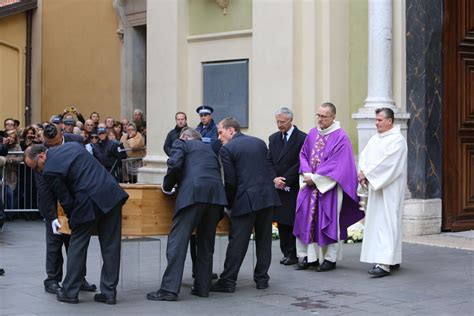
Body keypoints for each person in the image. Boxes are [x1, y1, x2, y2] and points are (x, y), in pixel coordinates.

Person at [24, 143, 129, 304]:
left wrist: (73, 219)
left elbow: (65, 199)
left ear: (41, 156)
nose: (38, 171)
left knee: (77, 245)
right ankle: (109, 292)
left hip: (87, 199)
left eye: (36, 167)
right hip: (111, 193)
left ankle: (69, 291)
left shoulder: (50, 169)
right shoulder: (73, 145)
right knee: (111, 246)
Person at [147, 128, 227, 301]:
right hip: (216, 197)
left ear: (184, 137)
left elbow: (175, 164)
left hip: (193, 194)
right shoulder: (210, 150)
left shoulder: (181, 142)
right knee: (206, 244)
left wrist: (167, 187)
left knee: (178, 241)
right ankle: (202, 287)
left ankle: (169, 289)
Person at [211, 118, 280, 293]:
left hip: (245, 200)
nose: (219, 137)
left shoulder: (227, 149)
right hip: (267, 197)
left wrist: (229, 204)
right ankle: (262, 279)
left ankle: (228, 281)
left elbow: (231, 181)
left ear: (231, 130)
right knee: (264, 240)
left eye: (220, 132)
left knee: (237, 242)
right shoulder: (259, 142)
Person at [293, 102, 363, 272]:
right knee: (304, 218)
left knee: (328, 220)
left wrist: (316, 178)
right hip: (309, 186)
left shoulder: (341, 137)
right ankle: (309, 258)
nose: (320, 119)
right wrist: (307, 174)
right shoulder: (312, 133)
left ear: (333, 117)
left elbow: (339, 165)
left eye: (324, 116)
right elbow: (303, 154)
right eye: (318, 115)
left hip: (328, 187)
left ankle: (329, 259)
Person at [36, 124, 95, 295]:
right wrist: (52, 216)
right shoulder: (40, 152)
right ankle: (52, 279)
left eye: (55, 145)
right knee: (54, 242)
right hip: (53, 202)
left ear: (62, 135)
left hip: (75, 200)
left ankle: (79, 278)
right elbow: (44, 189)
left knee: (75, 243)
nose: (52, 149)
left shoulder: (76, 141)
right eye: (49, 145)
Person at [358, 107, 407, 278]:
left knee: (387, 222)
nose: (376, 123)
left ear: (389, 121)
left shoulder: (397, 141)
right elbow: (364, 157)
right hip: (375, 187)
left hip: (389, 188)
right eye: (376, 120)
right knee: (377, 223)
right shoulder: (374, 139)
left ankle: (384, 263)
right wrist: (362, 173)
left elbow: (388, 164)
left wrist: (368, 174)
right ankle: (390, 258)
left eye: (379, 120)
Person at [267, 107, 307, 266]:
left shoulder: (302, 138)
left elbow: (301, 162)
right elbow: (268, 160)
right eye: (277, 121)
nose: (279, 125)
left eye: (282, 122)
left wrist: (286, 179)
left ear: (290, 120)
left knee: (291, 220)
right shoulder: (273, 138)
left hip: (293, 185)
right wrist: (274, 178)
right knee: (281, 221)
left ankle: (293, 253)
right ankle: (286, 252)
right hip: (278, 185)